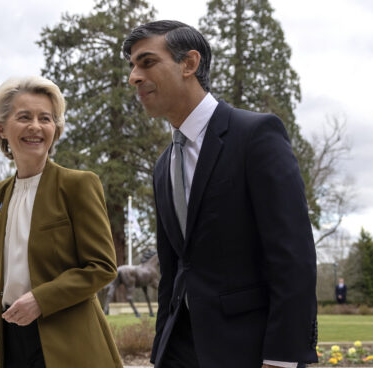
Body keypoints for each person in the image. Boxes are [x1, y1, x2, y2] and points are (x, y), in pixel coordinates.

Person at [123, 21, 318, 368]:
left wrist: (282, 359)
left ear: (189, 63)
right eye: (132, 66)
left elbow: (293, 258)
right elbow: (172, 268)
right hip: (179, 351)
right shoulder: (163, 164)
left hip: (248, 350)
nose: (134, 77)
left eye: (147, 62)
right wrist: (160, 352)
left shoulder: (256, 135)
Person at [0, 76, 122, 368]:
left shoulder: (78, 185)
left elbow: (102, 267)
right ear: (2, 129)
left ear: (55, 130)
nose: (36, 126)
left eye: (45, 118)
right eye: (24, 117)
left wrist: (40, 299)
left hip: (71, 345)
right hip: (14, 341)